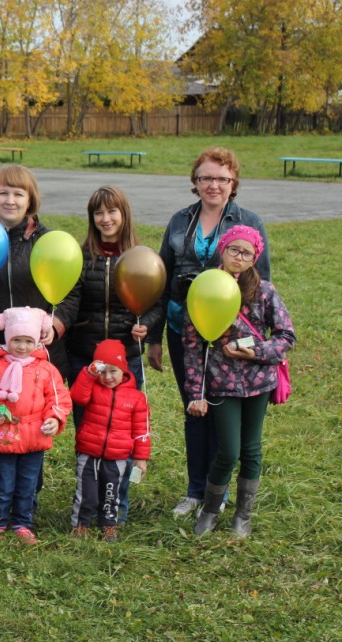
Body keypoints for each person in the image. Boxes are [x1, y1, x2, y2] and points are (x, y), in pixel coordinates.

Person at [146, 147, 272, 518]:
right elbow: (162, 280)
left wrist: (246, 341)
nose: (213, 185)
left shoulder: (248, 222)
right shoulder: (179, 221)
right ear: (195, 182)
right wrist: (154, 337)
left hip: (227, 336)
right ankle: (195, 491)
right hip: (182, 329)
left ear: (233, 183)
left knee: (222, 410)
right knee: (195, 409)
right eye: (205, 177)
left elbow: (260, 284)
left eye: (221, 178)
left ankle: (220, 491)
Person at [0, 164, 75, 523]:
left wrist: (58, 320)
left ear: (30, 199)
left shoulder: (46, 241)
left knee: (32, 418)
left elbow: (71, 289)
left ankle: (26, 500)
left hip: (37, 353)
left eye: (18, 193)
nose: (10, 199)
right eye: (3, 192)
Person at [185, 225, 294, 539]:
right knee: (228, 450)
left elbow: (286, 335)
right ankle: (209, 509)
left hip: (259, 382)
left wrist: (256, 351)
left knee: (251, 449)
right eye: (234, 249)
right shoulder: (204, 287)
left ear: (254, 258)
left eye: (246, 253)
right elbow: (192, 346)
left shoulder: (264, 291)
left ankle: (243, 516)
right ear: (224, 249)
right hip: (222, 384)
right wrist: (196, 392)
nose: (238, 257)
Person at [63, 186, 160, 522]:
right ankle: (85, 509)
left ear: (124, 214)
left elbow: (156, 302)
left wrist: (144, 324)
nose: (105, 219)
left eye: (112, 212)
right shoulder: (81, 255)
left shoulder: (140, 256)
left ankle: (115, 510)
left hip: (125, 360)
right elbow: (69, 300)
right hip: (85, 359)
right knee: (88, 435)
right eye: (98, 213)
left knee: (121, 436)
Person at [0, 307, 71, 545]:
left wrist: (54, 418)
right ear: (8, 339)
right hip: (3, 435)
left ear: (36, 341)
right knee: (2, 482)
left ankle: (22, 522)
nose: (22, 347)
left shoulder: (45, 369)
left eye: (28, 341)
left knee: (27, 484)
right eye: (16, 340)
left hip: (33, 436)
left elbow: (58, 399)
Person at [68, 340, 151, 542]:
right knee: (86, 492)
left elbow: (142, 430)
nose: (107, 377)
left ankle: (109, 525)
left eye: (113, 371)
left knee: (111, 493)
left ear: (124, 370)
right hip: (89, 451)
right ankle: (80, 524)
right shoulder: (93, 389)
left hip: (118, 456)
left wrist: (141, 458)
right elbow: (77, 396)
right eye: (103, 371)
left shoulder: (136, 397)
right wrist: (89, 373)